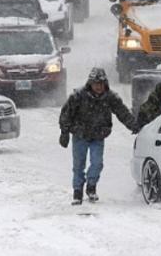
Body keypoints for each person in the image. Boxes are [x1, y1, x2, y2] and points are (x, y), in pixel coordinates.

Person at [58, 67, 138, 205]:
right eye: (96, 84)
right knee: (78, 165)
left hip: (98, 135)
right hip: (79, 135)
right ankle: (77, 192)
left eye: (101, 84)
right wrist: (64, 132)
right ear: (90, 84)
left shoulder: (110, 97)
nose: (99, 87)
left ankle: (91, 187)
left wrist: (133, 125)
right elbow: (66, 114)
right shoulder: (77, 96)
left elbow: (122, 112)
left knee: (97, 163)